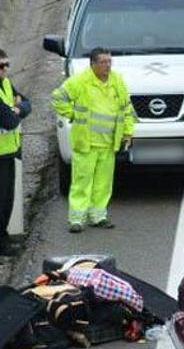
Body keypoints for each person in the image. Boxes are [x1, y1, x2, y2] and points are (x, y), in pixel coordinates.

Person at [51, 47, 134, 233]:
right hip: (86, 143)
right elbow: (57, 98)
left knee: (103, 183)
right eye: (103, 62)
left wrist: (128, 132)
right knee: (82, 182)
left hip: (108, 143)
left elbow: (126, 108)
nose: (108, 65)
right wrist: (72, 114)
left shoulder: (117, 80)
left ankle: (98, 216)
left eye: (109, 61)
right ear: (93, 64)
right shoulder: (80, 81)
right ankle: (77, 219)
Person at [0, 49, 32, 256]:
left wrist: (16, 109)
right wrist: (14, 110)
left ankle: (4, 239)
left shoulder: (6, 83)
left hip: (9, 152)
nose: (4, 69)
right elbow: (9, 121)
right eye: (0, 66)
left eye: (6, 65)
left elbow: (27, 104)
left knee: (6, 200)